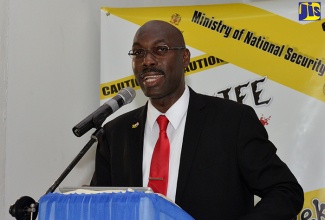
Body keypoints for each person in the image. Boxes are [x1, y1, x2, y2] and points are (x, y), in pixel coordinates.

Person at [90, 20, 304, 219]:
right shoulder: (115, 133)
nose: (147, 61)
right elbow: (97, 206)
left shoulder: (233, 121)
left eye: (160, 50)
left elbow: (285, 191)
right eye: (138, 52)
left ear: (185, 58)